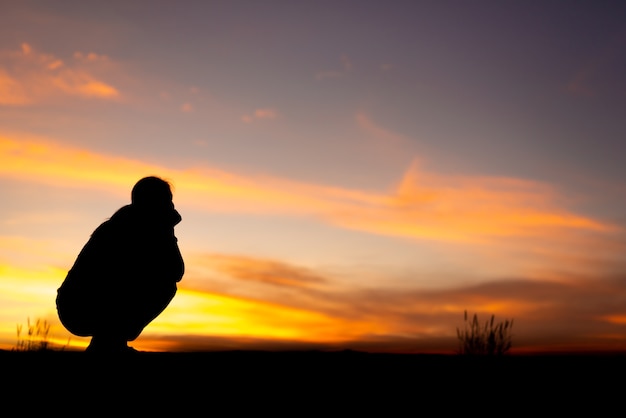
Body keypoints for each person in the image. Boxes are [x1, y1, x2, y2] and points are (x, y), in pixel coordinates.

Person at [56, 176, 185, 353]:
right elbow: (175, 270)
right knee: (162, 285)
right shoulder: (127, 228)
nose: (170, 207)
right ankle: (108, 344)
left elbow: (175, 271)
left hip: (77, 304)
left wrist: (166, 229)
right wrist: (167, 229)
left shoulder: (129, 223)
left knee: (159, 281)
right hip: (79, 307)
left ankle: (109, 342)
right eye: (166, 201)